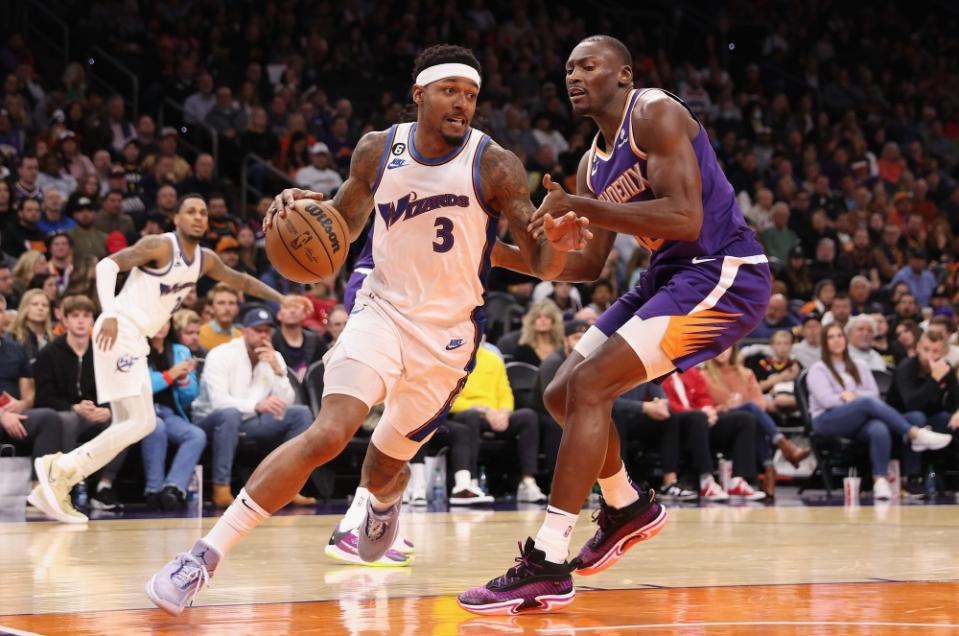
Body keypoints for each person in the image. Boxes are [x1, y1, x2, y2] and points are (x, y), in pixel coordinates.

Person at [147, 44, 585, 615]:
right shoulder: (380, 150)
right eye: (450, 90)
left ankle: (383, 506)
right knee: (329, 433)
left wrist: (559, 243)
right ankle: (203, 557)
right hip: (381, 311)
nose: (462, 103)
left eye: (472, 95)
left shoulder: (494, 164)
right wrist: (302, 210)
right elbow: (340, 231)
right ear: (419, 94)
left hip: (448, 339)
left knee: (384, 467)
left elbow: (545, 265)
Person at [462, 35, 771, 613]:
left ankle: (549, 561)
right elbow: (586, 265)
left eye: (588, 65)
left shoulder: (654, 112)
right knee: (559, 393)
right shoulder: (591, 163)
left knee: (589, 386)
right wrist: (495, 253)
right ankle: (628, 506)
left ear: (624, 74)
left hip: (724, 273)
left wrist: (583, 206)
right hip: (667, 275)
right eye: (568, 68)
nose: (573, 75)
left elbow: (685, 216)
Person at [27, 193, 308, 524]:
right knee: (142, 422)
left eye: (203, 212)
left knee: (129, 423)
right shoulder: (160, 246)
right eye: (191, 211)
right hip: (120, 329)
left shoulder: (204, 260)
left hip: (135, 336)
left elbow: (240, 280)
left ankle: (58, 479)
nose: (199, 217)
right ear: (176, 218)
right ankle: (60, 469)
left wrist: (280, 297)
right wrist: (111, 312)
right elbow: (107, 264)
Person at [807, 323, 952, 500]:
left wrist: (853, 396)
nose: (837, 340)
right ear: (824, 342)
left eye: (839, 335)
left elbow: (873, 393)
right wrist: (851, 399)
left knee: (878, 428)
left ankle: (880, 482)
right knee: (866, 402)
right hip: (826, 419)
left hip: (858, 418)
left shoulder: (859, 365)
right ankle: (914, 433)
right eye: (831, 337)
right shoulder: (818, 369)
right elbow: (826, 400)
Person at [445, 344, 546, 504]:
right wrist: (482, 409)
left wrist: (504, 413)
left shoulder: (493, 359)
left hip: (495, 415)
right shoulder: (450, 359)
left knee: (528, 416)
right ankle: (471, 481)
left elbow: (505, 392)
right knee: (472, 416)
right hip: (464, 414)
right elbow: (449, 398)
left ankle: (528, 482)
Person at [143, 319, 206, 511]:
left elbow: (190, 397)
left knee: (196, 435)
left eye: (165, 322)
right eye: (157, 320)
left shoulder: (181, 351)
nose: (161, 326)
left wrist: (185, 379)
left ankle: (173, 488)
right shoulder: (137, 350)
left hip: (170, 411)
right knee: (156, 427)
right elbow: (144, 386)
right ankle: (153, 489)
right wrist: (171, 375)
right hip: (143, 411)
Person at [888, 329, 959, 497]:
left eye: (935, 351)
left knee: (948, 419)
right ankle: (913, 478)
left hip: (930, 421)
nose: (930, 356)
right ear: (918, 347)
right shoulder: (906, 367)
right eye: (926, 350)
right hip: (899, 421)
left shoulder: (945, 369)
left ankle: (942, 474)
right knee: (917, 417)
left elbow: (957, 398)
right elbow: (912, 404)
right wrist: (934, 379)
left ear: (943, 353)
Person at [512, 298, 564, 365]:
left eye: (547, 317)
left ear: (554, 322)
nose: (543, 320)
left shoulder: (562, 349)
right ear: (532, 322)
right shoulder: (522, 351)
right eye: (538, 317)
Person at [198, 283, 242, 351]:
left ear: (237, 309)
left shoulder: (241, 338)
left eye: (232, 303)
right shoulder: (200, 334)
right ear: (212, 307)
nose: (227, 308)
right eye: (221, 303)